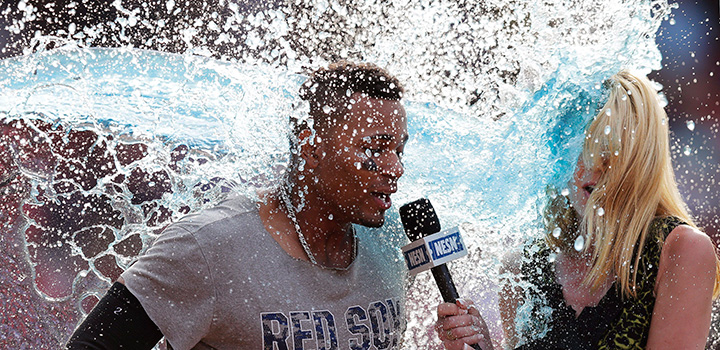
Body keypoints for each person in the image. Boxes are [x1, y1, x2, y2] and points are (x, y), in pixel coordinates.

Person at [66, 61, 410, 349]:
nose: (396, 168)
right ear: (310, 146)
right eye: (375, 148)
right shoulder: (208, 247)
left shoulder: (392, 238)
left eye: (399, 150)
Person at [435, 71, 720, 350]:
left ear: (641, 161)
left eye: (610, 153)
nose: (594, 169)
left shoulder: (680, 251)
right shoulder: (522, 267)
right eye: (580, 149)